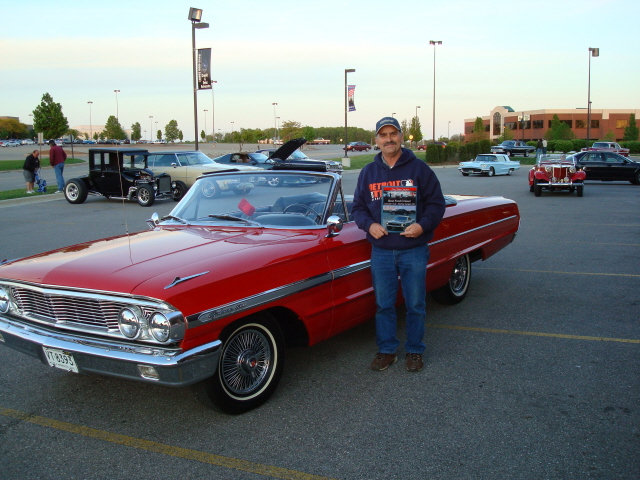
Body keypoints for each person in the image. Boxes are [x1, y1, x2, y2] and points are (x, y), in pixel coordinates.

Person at [352, 117, 446, 373]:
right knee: (384, 304)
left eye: (393, 133)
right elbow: (358, 207)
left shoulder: (419, 170)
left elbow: (437, 204)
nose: (389, 139)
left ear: (402, 137)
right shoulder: (368, 173)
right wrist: (369, 225)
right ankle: (387, 350)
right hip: (381, 249)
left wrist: (422, 226)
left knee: (415, 303)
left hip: (413, 248)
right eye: (383, 135)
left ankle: (415, 350)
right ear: (377, 141)